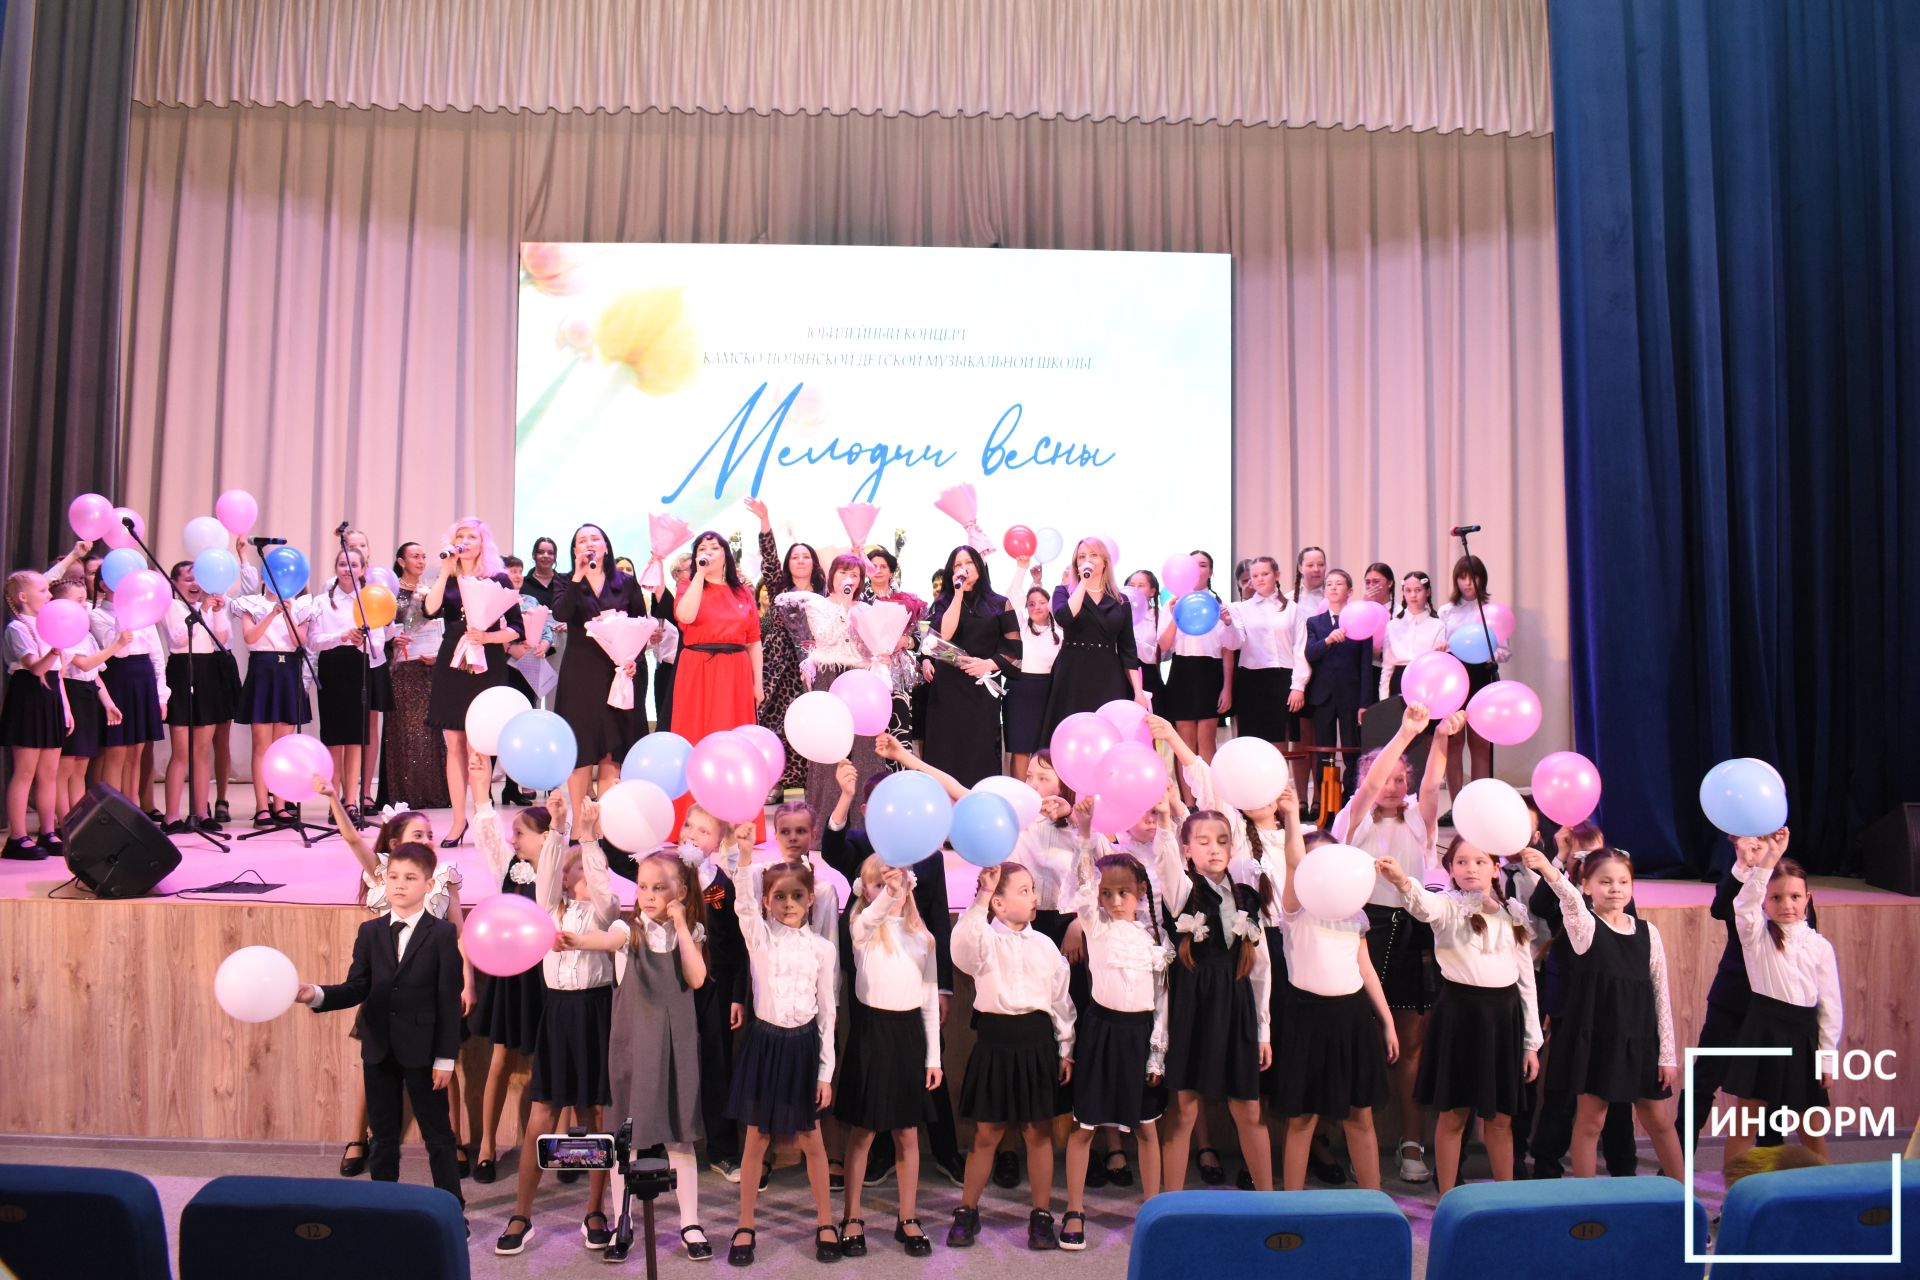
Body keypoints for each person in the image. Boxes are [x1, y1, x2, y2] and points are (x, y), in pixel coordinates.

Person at [295, 843, 466, 1215]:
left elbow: (448, 1001)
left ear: (428, 885)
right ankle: (384, 1210)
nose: (400, 885)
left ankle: (453, 1210)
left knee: (438, 1136)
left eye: (410, 878)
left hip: (424, 1050)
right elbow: (357, 986)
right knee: (383, 1136)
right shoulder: (370, 931)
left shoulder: (441, 934)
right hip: (379, 1047)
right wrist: (316, 994)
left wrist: (445, 1058)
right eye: (393, 877)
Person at [564, 845, 714, 1262]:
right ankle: (622, 1221)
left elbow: (697, 978)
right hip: (633, 1049)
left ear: (680, 891)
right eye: (643, 887)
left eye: (659, 888)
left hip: (676, 1048)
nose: (648, 895)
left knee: (680, 1137)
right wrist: (578, 940)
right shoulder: (627, 929)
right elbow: (605, 938)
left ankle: (690, 1223)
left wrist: (682, 923)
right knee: (625, 1141)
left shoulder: (690, 933)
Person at [1331, 704, 1460, 1183]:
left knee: (1410, 1044)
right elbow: (1368, 788)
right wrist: (1405, 735)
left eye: (1400, 779)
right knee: (1361, 1040)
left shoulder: (1418, 821)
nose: (1392, 786)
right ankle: (1355, 1140)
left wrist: (1441, 739)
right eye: (1386, 777)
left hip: (1410, 929)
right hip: (1365, 929)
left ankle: (1411, 1141)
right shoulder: (1352, 820)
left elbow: (1431, 785)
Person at [1377, 837, 1543, 1194]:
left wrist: (1531, 1043)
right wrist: (1402, 881)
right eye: (1462, 862)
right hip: (1460, 1017)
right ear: (1450, 869)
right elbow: (1424, 907)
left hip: (1503, 1020)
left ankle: (1506, 1199)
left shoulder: (1512, 912)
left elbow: (1526, 980)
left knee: (1500, 1119)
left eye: (1480, 862)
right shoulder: (1449, 906)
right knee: (1454, 1114)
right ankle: (1448, 1197)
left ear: (1495, 868)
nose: (1471, 869)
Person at [496, 793, 622, 1258]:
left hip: (594, 1012)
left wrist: (589, 840)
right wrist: (558, 825)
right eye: (579, 872)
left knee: (594, 1115)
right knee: (542, 1114)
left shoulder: (607, 915)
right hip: (557, 1013)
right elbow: (547, 879)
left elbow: (605, 895)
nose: (588, 877)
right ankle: (521, 1213)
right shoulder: (550, 910)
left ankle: (595, 1210)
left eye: (593, 870)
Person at [1523, 844, 1686, 1179]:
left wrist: (1667, 1055)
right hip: (1599, 1041)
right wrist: (1550, 870)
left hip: (1640, 1041)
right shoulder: (1584, 927)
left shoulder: (1648, 933)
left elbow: (1661, 995)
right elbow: (1569, 901)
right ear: (1587, 886)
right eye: (1605, 881)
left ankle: (1683, 1195)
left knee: (1659, 1120)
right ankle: (1589, 1200)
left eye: (1623, 882)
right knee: (1591, 1121)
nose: (1615, 889)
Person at [947, 863, 1075, 1252]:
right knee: (987, 1133)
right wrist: (982, 895)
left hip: (1036, 1044)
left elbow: (1061, 1001)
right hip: (996, 1044)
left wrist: (1066, 1047)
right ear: (999, 904)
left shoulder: (1046, 946)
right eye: (1024, 891)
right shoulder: (984, 939)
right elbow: (962, 950)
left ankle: (1041, 1214)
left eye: (1033, 889)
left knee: (1038, 1133)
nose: (1034, 897)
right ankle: (967, 1210)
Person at [1274, 784, 1396, 1191]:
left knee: (1360, 1115)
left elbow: (1366, 970)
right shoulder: (1296, 910)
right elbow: (1294, 865)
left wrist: (1387, 1022)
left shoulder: (1353, 913)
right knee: (1302, 1118)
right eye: (1315, 861)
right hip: (1307, 1018)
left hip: (1352, 1018)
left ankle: (1373, 1201)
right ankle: (1290, 1206)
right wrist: (1292, 816)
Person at [726, 847, 843, 1266]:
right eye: (779, 896)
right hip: (766, 1045)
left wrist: (825, 1072)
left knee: (812, 1137)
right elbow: (742, 907)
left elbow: (827, 1012)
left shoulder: (822, 950)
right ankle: (745, 1223)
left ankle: (825, 1221)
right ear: (766, 900)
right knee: (757, 1137)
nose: (788, 904)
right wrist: (744, 859)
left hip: (802, 1048)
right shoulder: (760, 940)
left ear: (811, 900)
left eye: (797, 896)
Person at [1149, 809, 1275, 1193]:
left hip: (1237, 1008)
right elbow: (1166, 864)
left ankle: (1268, 1203)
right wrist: (1165, 823)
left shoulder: (1247, 897)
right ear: (1187, 850)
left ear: (1232, 847)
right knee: (1184, 1108)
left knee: (1248, 1107)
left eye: (1221, 841)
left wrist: (1263, 1030)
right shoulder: (1183, 892)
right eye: (1202, 842)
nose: (1214, 849)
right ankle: (1170, 1205)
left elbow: (1261, 969)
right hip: (1193, 1009)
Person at [1058, 848, 1169, 1249]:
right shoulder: (1097, 927)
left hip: (1140, 1035)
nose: (1115, 901)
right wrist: (1085, 836)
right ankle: (1074, 1209)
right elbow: (1082, 891)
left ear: (1141, 891)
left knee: (1146, 1126)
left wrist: (1157, 1052)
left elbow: (1162, 1000)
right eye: (1107, 893)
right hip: (1102, 1032)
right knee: (1084, 1124)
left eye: (1124, 892)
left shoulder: (1156, 938)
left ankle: (1153, 1210)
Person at [835, 858, 942, 1258]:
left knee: (907, 1133)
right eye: (877, 885)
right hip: (872, 1034)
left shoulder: (922, 938)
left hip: (907, 1036)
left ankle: (908, 1216)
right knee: (863, 1131)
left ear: (909, 886)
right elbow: (872, 916)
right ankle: (852, 1215)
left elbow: (929, 1000)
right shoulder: (861, 928)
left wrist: (934, 1058)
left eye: (894, 883)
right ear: (864, 891)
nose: (887, 891)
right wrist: (890, 893)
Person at [1718, 829, 1841, 1166]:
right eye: (1776, 897)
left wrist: (1826, 1059)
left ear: (1808, 898)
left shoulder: (1819, 946)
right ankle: (1736, 1193)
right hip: (1764, 1032)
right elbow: (1743, 904)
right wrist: (1770, 858)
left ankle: (1825, 1193)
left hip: (1803, 1037)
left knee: (1811, 1129)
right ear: (1765, 901)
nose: (1787, 904)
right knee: (1745, 1124)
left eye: (1795, 897)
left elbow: (1830, 1008)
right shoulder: (1756, 936)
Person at [466, 752, 561, 1185]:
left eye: (521, 833)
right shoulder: (512, 869)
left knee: (552, 1060)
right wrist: (480, 790)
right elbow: (487, 834)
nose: (514, 839)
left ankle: (559, 1146)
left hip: (550, 976)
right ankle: (487, 1145)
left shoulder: (561, 871)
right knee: (501, 1058)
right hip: (513, 977)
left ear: (545, 837)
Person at [1527, 820, 1640, 1178]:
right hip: (1570, 1004)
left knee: (1616, 1095)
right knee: (1561, 1090)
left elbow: (1632, 946)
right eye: (1583, 850)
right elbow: (1540, 903)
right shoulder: (1566, 890)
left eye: (1597, 849)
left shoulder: (1616, 894)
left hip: (1611, 1010)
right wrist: (1560, 856)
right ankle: (1547, 1168)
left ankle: (1623, 1169)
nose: (1590, 856)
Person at [425, 518, 525, 845]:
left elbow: (517, 629)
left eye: (472, 536)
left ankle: (483, 816)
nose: (466, 541)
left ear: (483, 543)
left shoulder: (498, 579)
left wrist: (488, 637)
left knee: (477, 744)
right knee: (453, 743)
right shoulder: (449, 577)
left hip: (486, 663)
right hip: (452, 661)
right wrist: (445, 571)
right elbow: (430, 609)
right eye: (460, 536)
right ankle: (458, 821)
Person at [551, 523, 653, 817]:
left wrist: (633, 658)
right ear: (574, 550)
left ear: (606, 546)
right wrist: (577, 576)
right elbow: (561, 612)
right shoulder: (565, 580)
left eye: (595, 538)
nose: (589, 543)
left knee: (612, 750)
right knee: (581, 750)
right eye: (582, 540)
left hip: (615, 673)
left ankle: (605, 823)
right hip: (579, 674)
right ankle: (579, 828)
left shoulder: (625, 582)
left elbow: (641, 624)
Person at [779, 553, 888, 822]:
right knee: (829, 747)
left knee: (864, 748)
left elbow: (871, 646)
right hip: (829, 677)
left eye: (854, 575)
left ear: (861, 581)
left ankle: (863, 824)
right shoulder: (817, 605)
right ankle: (826, 823)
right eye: (842, 573)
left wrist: (881, 654)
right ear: (832, 576)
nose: (848, 579)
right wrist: (843, 606)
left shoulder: (865, 609)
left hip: (860, 681)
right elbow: (825, 637)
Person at [676, 803, 751, 1183]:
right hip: (672, 988)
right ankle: (664, 1145)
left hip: (715, 989)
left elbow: (735, 945)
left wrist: (737, 995)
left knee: (716, 1066)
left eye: (703, 831)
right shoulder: (664, 872)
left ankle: (722, 1149)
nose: (691, 834)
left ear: (719, 841)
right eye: (689, 825)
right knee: (670, 1064)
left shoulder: (722, 884)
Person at [672, 530, 764, 840]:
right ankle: (691, 822)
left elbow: (754, 641)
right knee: (694, 739)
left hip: (735, 671)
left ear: (726, 553)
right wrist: (698, 575)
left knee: (733, 742)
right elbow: (685, 615)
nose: (708, 551)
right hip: (696, 669)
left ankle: (735, 821)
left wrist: (758, 684)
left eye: (714, 547)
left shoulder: (743, 593)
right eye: (702, 547)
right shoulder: (688, 585)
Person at [921, 545, 1018, 787]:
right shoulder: (944, 602)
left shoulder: (1000, 603)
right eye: (957, 565)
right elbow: (942, 636)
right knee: (945, 750)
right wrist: (957, 595)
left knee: (979, 750)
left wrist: (988, 664)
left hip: (981, 688)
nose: (963, 568)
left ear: (980, 566)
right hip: (948, 689)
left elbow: (1014, 651)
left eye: (968, 563)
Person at [1040, 539, 1145, 743]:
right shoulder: (1063, 592)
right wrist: (1083, 583)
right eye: (1082, 557)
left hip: (1108, 672)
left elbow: (1128, 649)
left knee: (1107, 731)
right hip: (1072, 671)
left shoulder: (1120, 600)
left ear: (1105, 562)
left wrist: (1138, 691)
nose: (1087, 560)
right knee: (1070, 731)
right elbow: (1064, 618)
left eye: (1093, 555)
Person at [748, 499, 819, 798]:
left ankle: (803, 782)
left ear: (814, 563)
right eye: (795, 557)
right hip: (777, 666)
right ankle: (774, 779)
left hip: (811, 666)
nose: (800, 561)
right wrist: (764, 520)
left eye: (806, 556)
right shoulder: (779, 589)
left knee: (806, 724)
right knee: (773, 723)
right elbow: (769, 559)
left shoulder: (824, 594)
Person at [231, 576, 313, 825]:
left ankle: (280, 804)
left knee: (283, 746)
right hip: (262, 670)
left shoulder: (301, 605)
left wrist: (287, 614)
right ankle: (261, 806)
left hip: (288, 671)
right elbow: (250, 638)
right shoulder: (251, 604)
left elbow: (299, 641)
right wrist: (271, 614)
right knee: (261, 745)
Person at [309, 549, 386, 819]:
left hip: (359, 667)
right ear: (336, 568)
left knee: (355, 738)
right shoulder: (321, 601)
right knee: (334, 738)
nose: (347, 569)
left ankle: (351, 800)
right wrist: (341, 636)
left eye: (353, 565)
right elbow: (313, 641)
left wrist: (361, 640)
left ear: (362, 569)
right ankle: (334, 802)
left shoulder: (370, 601)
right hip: (332, 667)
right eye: (342, 564)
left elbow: (378, 644)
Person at [160, 561, 234, 832]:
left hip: (208, 671)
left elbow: (221, 639)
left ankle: (202, 812)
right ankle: (171, 816)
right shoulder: (171, 606)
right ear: (175, 583)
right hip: (182, 670)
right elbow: (179, 639)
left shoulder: (209, 606)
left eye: (198, 579)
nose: (195, 585)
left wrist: (217, 611)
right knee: (181, 752)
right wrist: (202, 610)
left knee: (202, 751)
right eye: (188, 579)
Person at [2, 571, 68, 858]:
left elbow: (57, 675)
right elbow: (36, 668)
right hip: (28, 697)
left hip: (50, 697)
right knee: (25, 772)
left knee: (49, 773)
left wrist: (64, 707)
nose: (50, 595)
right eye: (42, 591)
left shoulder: (48, 625)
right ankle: (17, 837)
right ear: (23, 597)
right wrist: (54, 650)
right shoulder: (17, 628)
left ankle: (48, 831)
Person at [91, 573, 168, 809]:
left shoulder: (145, 613)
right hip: (117, 678)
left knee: (137, 750)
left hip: (143, 678)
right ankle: (112, 810)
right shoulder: (97, 615)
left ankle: (132, 806)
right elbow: (118, 651)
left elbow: (157, 656)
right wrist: (123, 615)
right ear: (103, 584)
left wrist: (161, 695)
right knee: (116, 750)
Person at [1159, 550, 1236, 781]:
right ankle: (1188, 800)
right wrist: (1175, 615)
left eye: (1203, 565)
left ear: (1210, 571)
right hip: (1182, 671)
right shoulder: (1172, 604)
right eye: (1192, 565)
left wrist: (1227, 688)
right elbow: (1163, 645)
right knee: (1184, 743)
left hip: (1210, 673)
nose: (1196, 570)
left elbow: (1228, 651)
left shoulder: (1219, 605)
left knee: (1207, 741)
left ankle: (1208, 797)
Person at [1439, 555, 1510, 795]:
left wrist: (1488, 653)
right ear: (1456, 580)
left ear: (1482, 579)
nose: (1468, 583)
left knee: (1480, 744)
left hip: (1481, 677)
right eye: (1463, 578)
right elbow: (1439, 644)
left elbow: (1505, 652)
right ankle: (1456, 802)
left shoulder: (1491, 611)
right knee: (1454, 743)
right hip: (1454, 679)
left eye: (1474, 577)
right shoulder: (1446, 611)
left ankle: (1479, 800)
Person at [384, 542, 448, 809]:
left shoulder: (430, 593)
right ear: (401, 561)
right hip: (401, 669)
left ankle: (432, 793)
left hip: (426, 668)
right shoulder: (391, 593)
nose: (421, 561)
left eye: (423, 556)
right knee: (403, 730)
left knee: (429, 729)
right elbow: (381, 629)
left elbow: (442, 628)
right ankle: (403, 793)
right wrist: (391, 641)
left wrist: (439, 654)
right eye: (414, 557)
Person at [1295, 569, 1369, 798]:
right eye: (1329, 584)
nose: (1333, 588)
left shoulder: (1361, 622)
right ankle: (1325, 801)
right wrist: (1327, 640)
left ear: (1350, 591)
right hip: (1322, 696)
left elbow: (1365, 667)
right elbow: (1309, 653)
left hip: (1350, 696)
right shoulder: (1314, 623)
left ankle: (1349, 799)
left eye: (1339, 584)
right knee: (1323, 752)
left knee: (1351, 751)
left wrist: (1364, 703)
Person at [54, 576, 120, 821]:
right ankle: (63, 820)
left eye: (85, 600)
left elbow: (95, 675)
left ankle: (79, 820)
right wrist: (116, 645)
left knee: (81, 765)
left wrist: (108, 702)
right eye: (79, 601)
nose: (84, 605)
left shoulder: (85, 633)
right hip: (71, 694)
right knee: (66, 765)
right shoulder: (61, 632)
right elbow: (83, 664)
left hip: (88, 695)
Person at [1222, 555, 1293, 745]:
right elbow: (1233, 643)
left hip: (1281, 676)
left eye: (1264, 574)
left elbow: (1298, 647)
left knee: (1278, 738)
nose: (1257, 580)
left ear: (1276, 575)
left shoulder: (1289, 607)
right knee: (1250, 739)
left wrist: (1298, 685)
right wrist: (1228, 623)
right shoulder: (1238, 608)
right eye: (1252, 577)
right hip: (1249, 677)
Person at [863, 547, 925, 737]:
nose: (878, 570)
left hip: (896, 668)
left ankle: (899, 755)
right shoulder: (859, 599)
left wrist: (906, 641)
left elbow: (920, 637)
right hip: (867, 665)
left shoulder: (906, 600)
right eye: (873, 566)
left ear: (891, 571)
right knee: (869, 716)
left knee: (898, 718)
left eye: (883, 566)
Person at [1004, 585, 1060, 780]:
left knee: (1044, 750)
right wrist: (1022, 570)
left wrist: (1038, 581)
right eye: (1031, 604)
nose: (1037, 607)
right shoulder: (1021, 627)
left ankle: (1042, 792)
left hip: (1048, 693)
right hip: (1019, 691)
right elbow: (1010, 599)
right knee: (1020, 748)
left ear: (1050, 605)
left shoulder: (1061, 632)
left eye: (1042, 603)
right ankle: (1019, 792)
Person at [1379, 571, 1447, 700]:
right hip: (1398, 681)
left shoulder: (1438, 625)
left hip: (1425, 681)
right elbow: (1387, 668)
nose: (1413, 595)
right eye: (1408, 590)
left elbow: (1438, 665)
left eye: (1418, 590)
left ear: (1427, 592)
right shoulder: (1393, 625)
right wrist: (1383, 699)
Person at [1122, 569, 1167, 718]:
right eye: (1131, 585)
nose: (1135, 589)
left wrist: (1133, 643)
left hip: (1149, 677)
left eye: (1141, 585)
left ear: (1152, 591)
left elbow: (1162, 655)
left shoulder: (1160, 616)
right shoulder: (1118, 614)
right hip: (1121, 677)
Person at [1359, 562, 1395, 708]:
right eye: (1368, 582)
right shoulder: (1361, 609)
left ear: (1389, 583)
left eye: (1376, 582)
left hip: (1390, 671)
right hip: (1366, 671)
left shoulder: (1399, 612)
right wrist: (1364, 605)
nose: (1371, 586)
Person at [521, 536, 561, 609]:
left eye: (550, 553)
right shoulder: (522, 584)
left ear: (555, 557)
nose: (546, 556)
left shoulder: (562, 583)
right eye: (541, 552)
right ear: (533, 555)